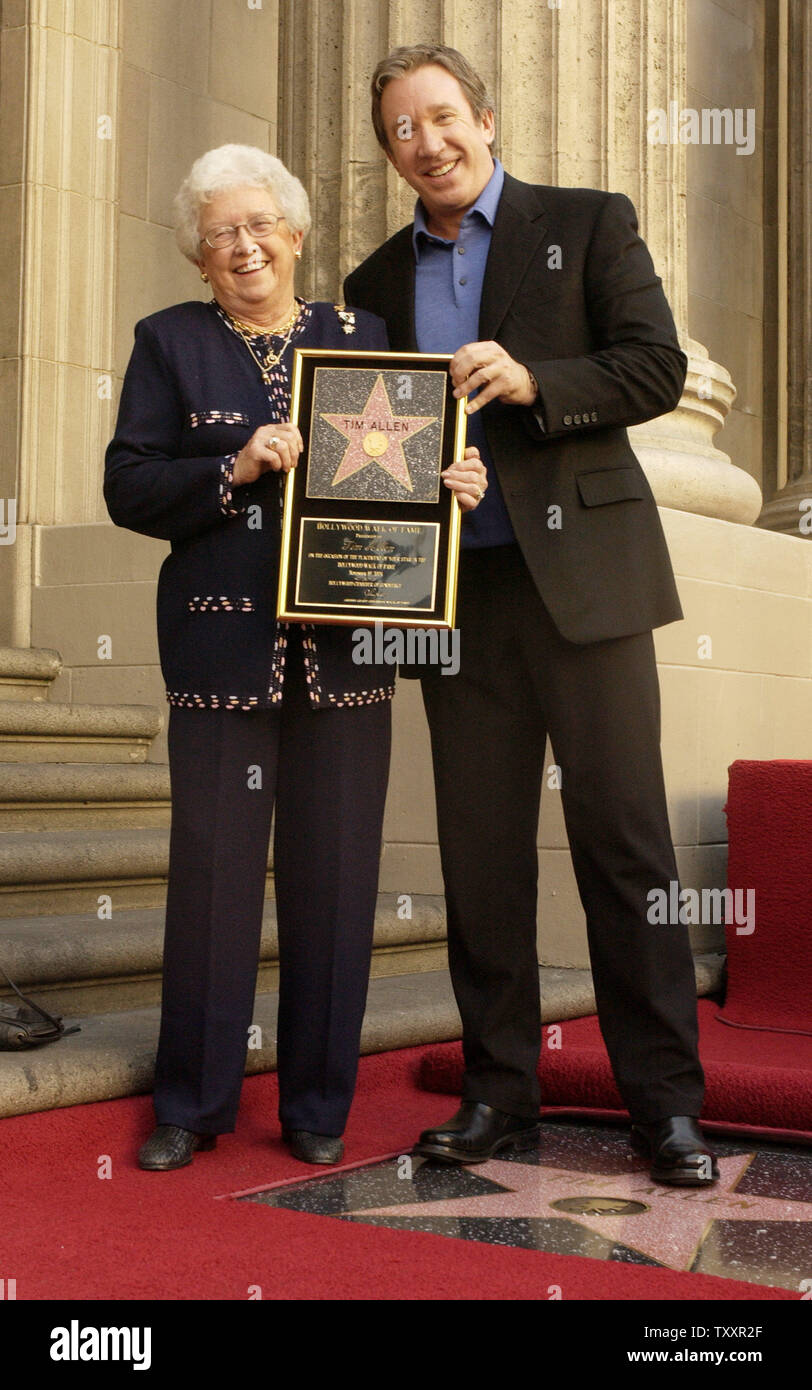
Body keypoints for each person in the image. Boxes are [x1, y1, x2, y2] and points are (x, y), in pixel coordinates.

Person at [345, 46, 719, 1185]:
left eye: (444, 117)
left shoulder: (587, 220)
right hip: (458, 602)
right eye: (404, 130)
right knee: (481, 858)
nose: (430, 142)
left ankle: (663, 1106)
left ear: (486, 119)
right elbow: (373, 456)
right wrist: (425, 489)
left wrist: (535, 382)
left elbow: (651, 367)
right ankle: (498, 1095)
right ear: (391, 154)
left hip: (589, 589)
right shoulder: (370, 286)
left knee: (625, 847)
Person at [105, 143, 486, 1171]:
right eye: (221, 233)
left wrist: (447, 485)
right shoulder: (168, 343)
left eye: (259, 224)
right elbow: (127, 487)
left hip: (347, 652)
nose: (244, 246)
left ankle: (318, 1105)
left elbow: (401, 461)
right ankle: (190, 1104)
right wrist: (229, 466)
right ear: (198, 255)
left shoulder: (358, 334)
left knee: (334, 885)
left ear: (295, 232)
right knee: (214, 882)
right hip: (221, 650)